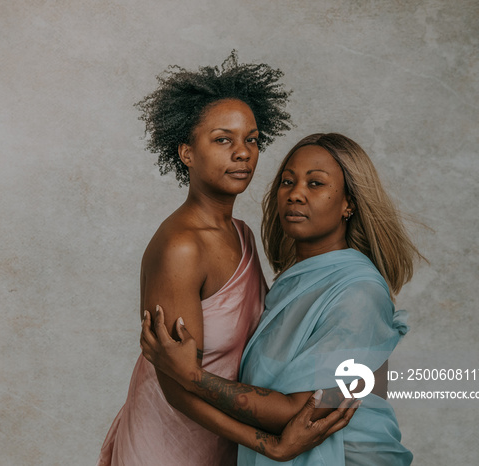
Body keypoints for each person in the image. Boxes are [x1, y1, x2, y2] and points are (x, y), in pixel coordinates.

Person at [98, 55, 359, 466]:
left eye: (251, 140)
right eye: (223, 140)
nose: (242, 153)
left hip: (224, 438)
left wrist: (349, 361)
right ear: (186, 152)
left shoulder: (242, 234)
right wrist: (268, 444)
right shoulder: (181, 247)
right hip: (168, 441)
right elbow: (174, 385)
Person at [141, 133, 422, 465]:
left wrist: (191, 375)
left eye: (315, 183)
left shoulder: (360, 292)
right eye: (287, 181)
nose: (295, 194)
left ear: (349, 203)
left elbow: (303, 412)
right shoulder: (295, 278)